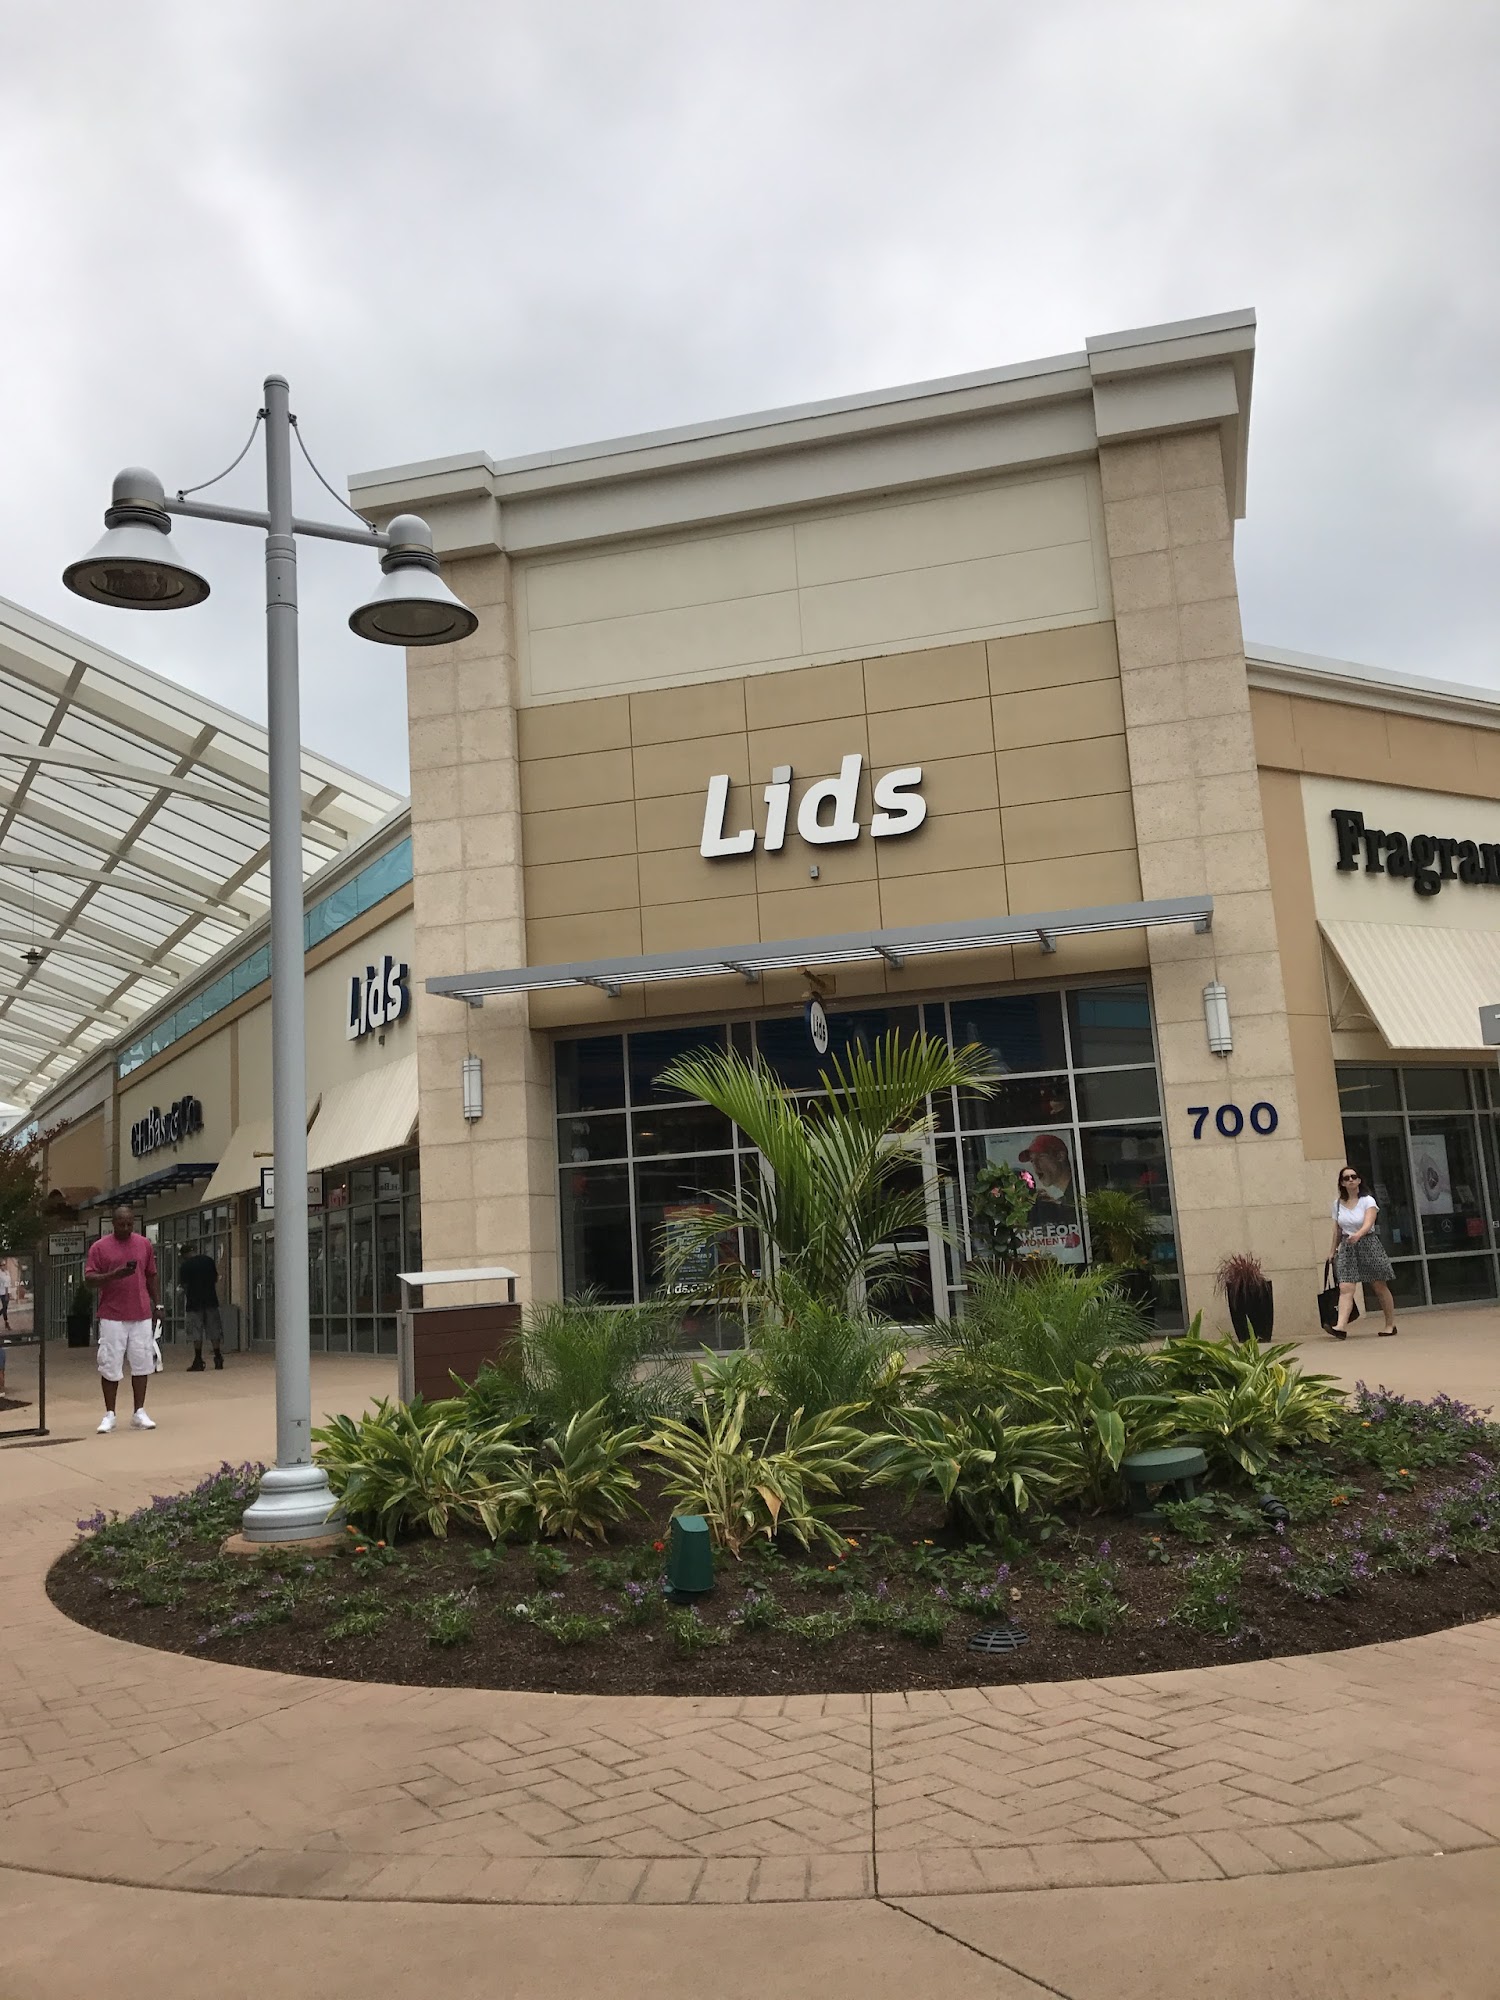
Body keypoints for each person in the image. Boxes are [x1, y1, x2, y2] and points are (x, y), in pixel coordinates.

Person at [83, 1206, 162, 1432]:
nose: (126, 1228)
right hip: (112, 1315)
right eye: (121, 1224)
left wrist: (158, 1304)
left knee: (142, 1363)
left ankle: (139, 1412)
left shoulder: (144, 1244)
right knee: (110, 1364)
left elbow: (151, 1275)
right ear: (113, 1223)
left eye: (129, 1224)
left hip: (141, 1313)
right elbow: (89, 1279)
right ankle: (110, 1414)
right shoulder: (100, 1247)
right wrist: (113, 1275)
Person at [1327, 1166, 1398, 1340]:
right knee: (1345, 1287)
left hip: (1368, 1244)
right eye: (1346, 1178)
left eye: (1353, 1177)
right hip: (1348, 1247)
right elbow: (1337, 1230)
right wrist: (1332, 1251)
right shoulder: (1337, 1204)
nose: (1350, 1180)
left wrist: (1358, 1235)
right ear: (1342, 1183)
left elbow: (1369, 1222)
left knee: (1379, 1285)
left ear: (1359, 1180)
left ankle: (1390, 1324)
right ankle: (1340, 1327)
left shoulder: (1368, 1201)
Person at [178, 1247, 224, 1371]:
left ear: (184, 1255)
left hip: (194, 1302)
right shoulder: (208, 1261)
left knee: (196, 1331)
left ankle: (198, 1359)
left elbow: (185, 1285)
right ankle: (218, 1357)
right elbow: (215, 1279)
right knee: (214, 1329)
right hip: (211, 1300)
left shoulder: (185, 1266)